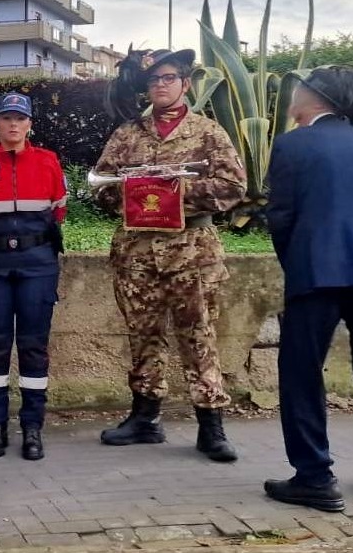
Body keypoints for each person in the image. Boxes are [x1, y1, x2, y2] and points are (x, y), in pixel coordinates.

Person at [263, 66, 353, 511]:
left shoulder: (292, 144)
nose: (294, 93)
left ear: (319, 100)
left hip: (317, 272)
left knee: (302, 374)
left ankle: (314, 477)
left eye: (300, 88)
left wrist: (300, 265)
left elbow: (281, 218)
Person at [93, 48, 246, 462]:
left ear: (185, 83)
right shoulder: (127, 133)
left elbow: (232, 187)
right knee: (142, 336)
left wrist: (172, 194)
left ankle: (211, 426)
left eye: (167, 79)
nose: (159, 86)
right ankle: (145, 419)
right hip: (137, 252)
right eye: (153, 81)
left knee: (199, 337)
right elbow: (102, 185)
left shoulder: (208, 132)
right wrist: (134, 194)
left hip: (192, 252)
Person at [0, 92, 67, 461]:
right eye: (6, 118)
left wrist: (29, 244)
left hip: (38, 263)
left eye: (20, 118)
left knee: (34, 346)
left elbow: (59, 212)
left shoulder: (48, 162)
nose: (13, 124)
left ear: (29, 124)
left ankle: (32, 428)